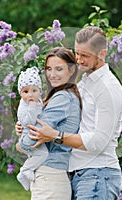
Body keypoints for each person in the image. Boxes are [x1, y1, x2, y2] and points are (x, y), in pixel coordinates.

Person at [27, 26, 122, 199]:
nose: (78, 60)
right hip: (80, 173)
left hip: (98, 174)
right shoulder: (85, 83)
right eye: (77, 54)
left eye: (85, 56)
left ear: (102, 54)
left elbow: (98, 141)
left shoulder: (109, 88)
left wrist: (55, 135)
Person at [16, 47, 82, 200]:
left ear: (72, 70)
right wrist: (22, 129)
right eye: (49, 69)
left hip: (50, 175)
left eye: (59, 69)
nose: (52, 75)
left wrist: (21, 142)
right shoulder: (65, 96)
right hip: (52, 175)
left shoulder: (62, 98)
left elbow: (29, 141)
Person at [16, 66, 47, 191]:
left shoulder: (38, 101)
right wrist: (33, 107)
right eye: (26, 92)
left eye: (34, 90)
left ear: (40, 91)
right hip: (28, 137)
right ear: (21, 93)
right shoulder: (25, 106)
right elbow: (27, 121)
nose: (30, 95)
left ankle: (24, 172)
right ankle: (26, 170)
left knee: (38, 154)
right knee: (43, 154)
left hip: (32, 136)